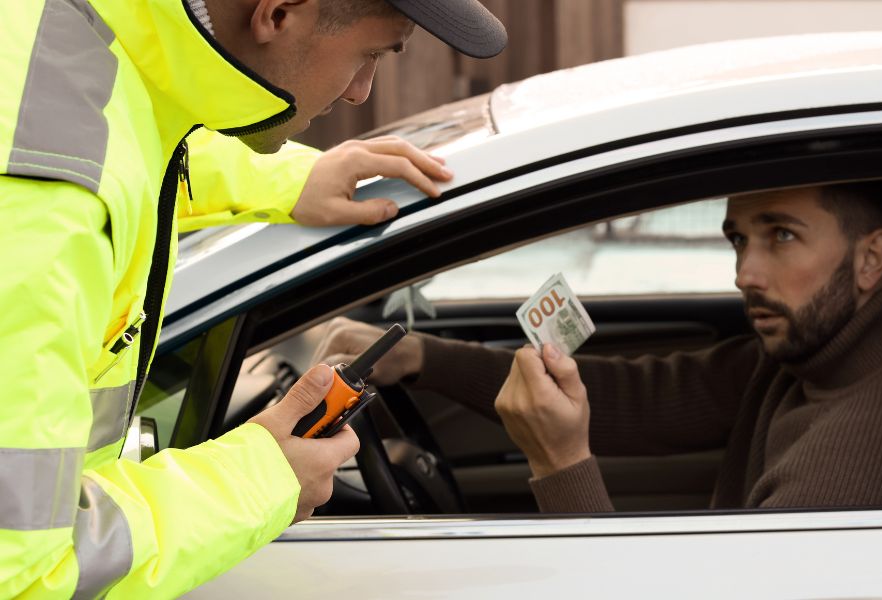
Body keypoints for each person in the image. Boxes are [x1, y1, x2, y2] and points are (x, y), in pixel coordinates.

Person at [0, 0, 506, 597]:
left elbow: (129, 133)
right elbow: (23, 569)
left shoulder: (65, 42)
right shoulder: (47, 211)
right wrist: (264, 476)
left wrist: (286, 180)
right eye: (370, 55)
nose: (360, 94)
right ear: (279, 12)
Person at [316, 181, 882, 513]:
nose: (745, 274)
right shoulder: (829, 346)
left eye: (780, 236)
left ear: (872, 259)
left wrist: (560, 462)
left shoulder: (865, 454)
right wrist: (421, 357)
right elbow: (655, 396)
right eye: (738, 239)